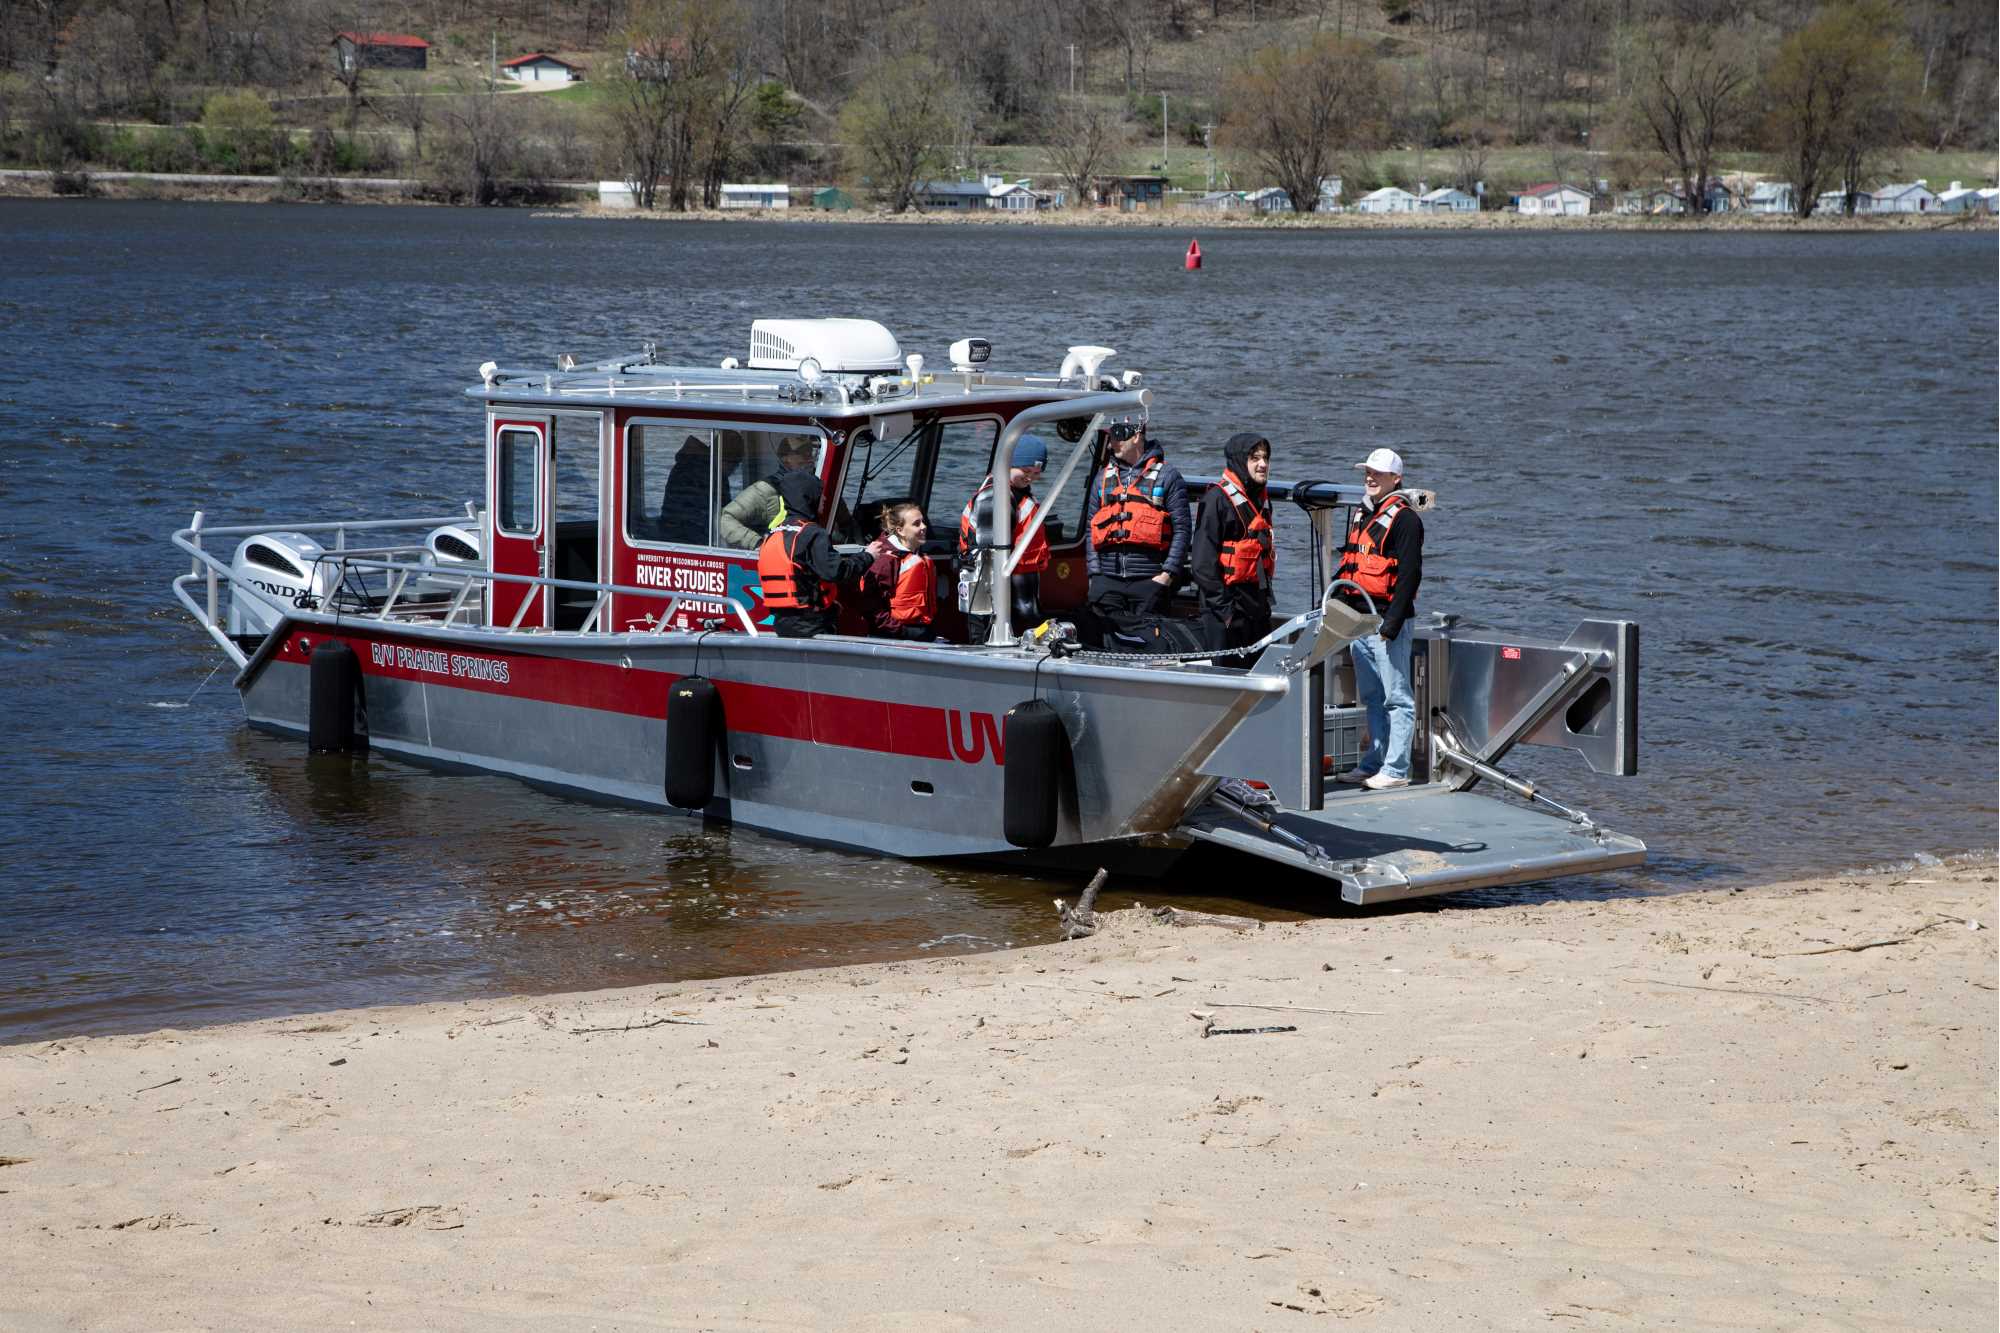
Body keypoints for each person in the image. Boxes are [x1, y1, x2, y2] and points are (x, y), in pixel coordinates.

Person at [1333, 447, 1425, 791]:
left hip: (1388, 623)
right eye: (1367, 472)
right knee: (1372, 696)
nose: (1370, 478)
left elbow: (1410, 576)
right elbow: (1351, 563)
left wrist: (1392, 625)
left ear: (1395, 479)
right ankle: (1373, 762)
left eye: (1378, 473)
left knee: (1397, 698)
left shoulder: (1406, 520)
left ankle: (1396, 769)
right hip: (1359, 620)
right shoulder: (1363, 512)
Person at [1084, 421, 1190, 644]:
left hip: (1149, 580)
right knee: (1100, 639)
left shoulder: (1168, 476)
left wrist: (1165, 576)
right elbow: (1090, 528)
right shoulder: (1102, 478)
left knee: (1151, 643)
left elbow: (1182, 530)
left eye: (1119, 434)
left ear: (1137, 436)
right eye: (1110, 436)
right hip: (1107, 580)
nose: (1113, 442)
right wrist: (1095, 574)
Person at [957, 434, 1051, 644]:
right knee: (986, 642)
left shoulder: (1018, 494)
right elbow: (988, 555)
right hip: (991, 593)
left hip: (1020, 589)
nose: (1030, 478)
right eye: (1025, 471)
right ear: (1008, 463)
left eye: (1036, 473)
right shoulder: (994, 497)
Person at [756, 469, 869, 638]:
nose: (823, 499)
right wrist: (869, 556)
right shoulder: (812, 534)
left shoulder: (774, 533)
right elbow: (837, 572)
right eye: (820, 494)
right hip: (812, 625)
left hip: (782, 623)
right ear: (809, 497)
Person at [1190, 432, 1275, 656]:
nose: (1262, 464)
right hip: (1225, 612)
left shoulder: (1261, 500)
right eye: (1254, 458)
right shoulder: (1216, 500)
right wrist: (1226, 611)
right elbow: (1202, 564)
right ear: (1239, 460)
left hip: (1256, 607)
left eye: (1265, 458)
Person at [859, 502, 938, 641]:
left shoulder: (917, 555)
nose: (924, 527)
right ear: (900, 530)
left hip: (920, 630)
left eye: (923, 522)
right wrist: (901, 631)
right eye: (916, 524)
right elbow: (870, 607)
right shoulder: (885, 561)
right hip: (893, 636)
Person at [719, 436, 816, 549]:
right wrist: (758, 543)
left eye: (810, 453)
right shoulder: (765, 490)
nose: (809, 458)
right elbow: (724, 519)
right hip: (778, 558)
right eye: (803, 454)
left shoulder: (816, 487)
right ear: (785, 458)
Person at [656, 435, 711, 543]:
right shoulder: (698, 473)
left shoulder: (687, 467)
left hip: (674, 529)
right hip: (679, 536)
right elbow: (692, 515)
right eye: (735, 463)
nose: (734, 469)